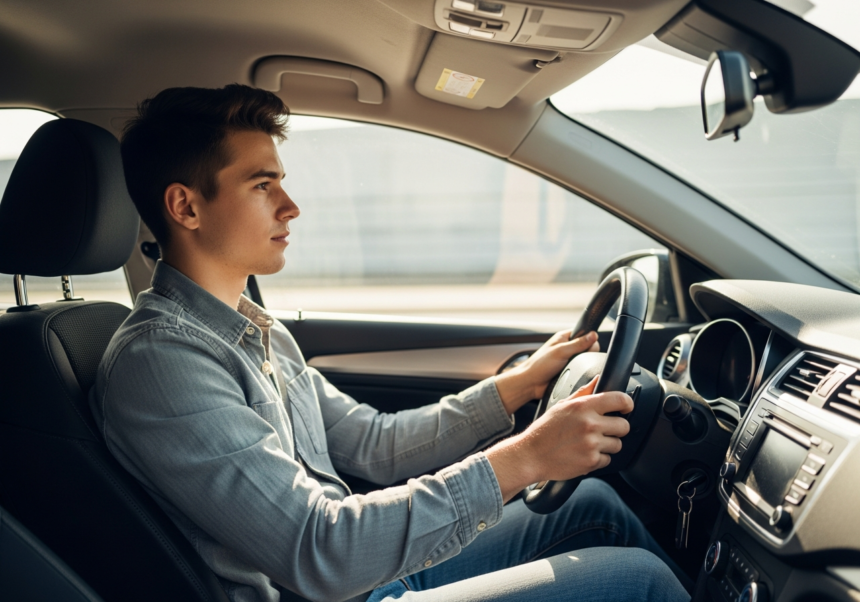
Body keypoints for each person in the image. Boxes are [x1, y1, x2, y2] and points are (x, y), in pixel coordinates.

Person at [90, 84, 690, 602]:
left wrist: (517, 388)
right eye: (261, 185)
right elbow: (318, 549)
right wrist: (528, 457)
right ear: (185, 206)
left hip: (359, 581)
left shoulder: (251, 332)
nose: (291, 207)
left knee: (594, 509)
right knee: (638, 581)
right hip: (330, 587)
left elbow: (374, 444)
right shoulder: (163, 362)